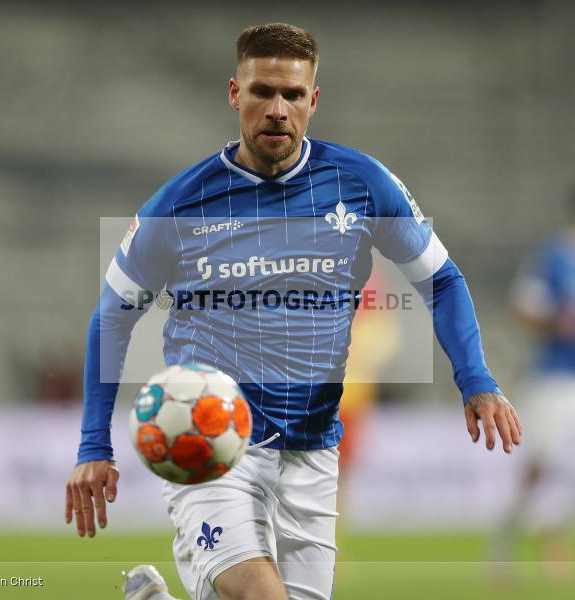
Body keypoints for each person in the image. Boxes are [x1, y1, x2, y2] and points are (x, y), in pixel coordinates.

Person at [65, 23, 521, 600]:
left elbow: (442, 279)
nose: (277, 109)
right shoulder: (179, 205)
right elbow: (112, 315)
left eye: (293, 95)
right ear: (235, 94)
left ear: (313, 101)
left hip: (312, 448)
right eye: (262, 92)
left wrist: (475, 378)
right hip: (210, 438)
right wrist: (92, 446)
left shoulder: (361, 184)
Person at [490, 177, 575, 576]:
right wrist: (554, 322)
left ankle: (557, 528)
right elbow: (521, 308)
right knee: (538, 469)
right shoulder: (555, 256)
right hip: (554, 378)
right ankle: (505, 541)